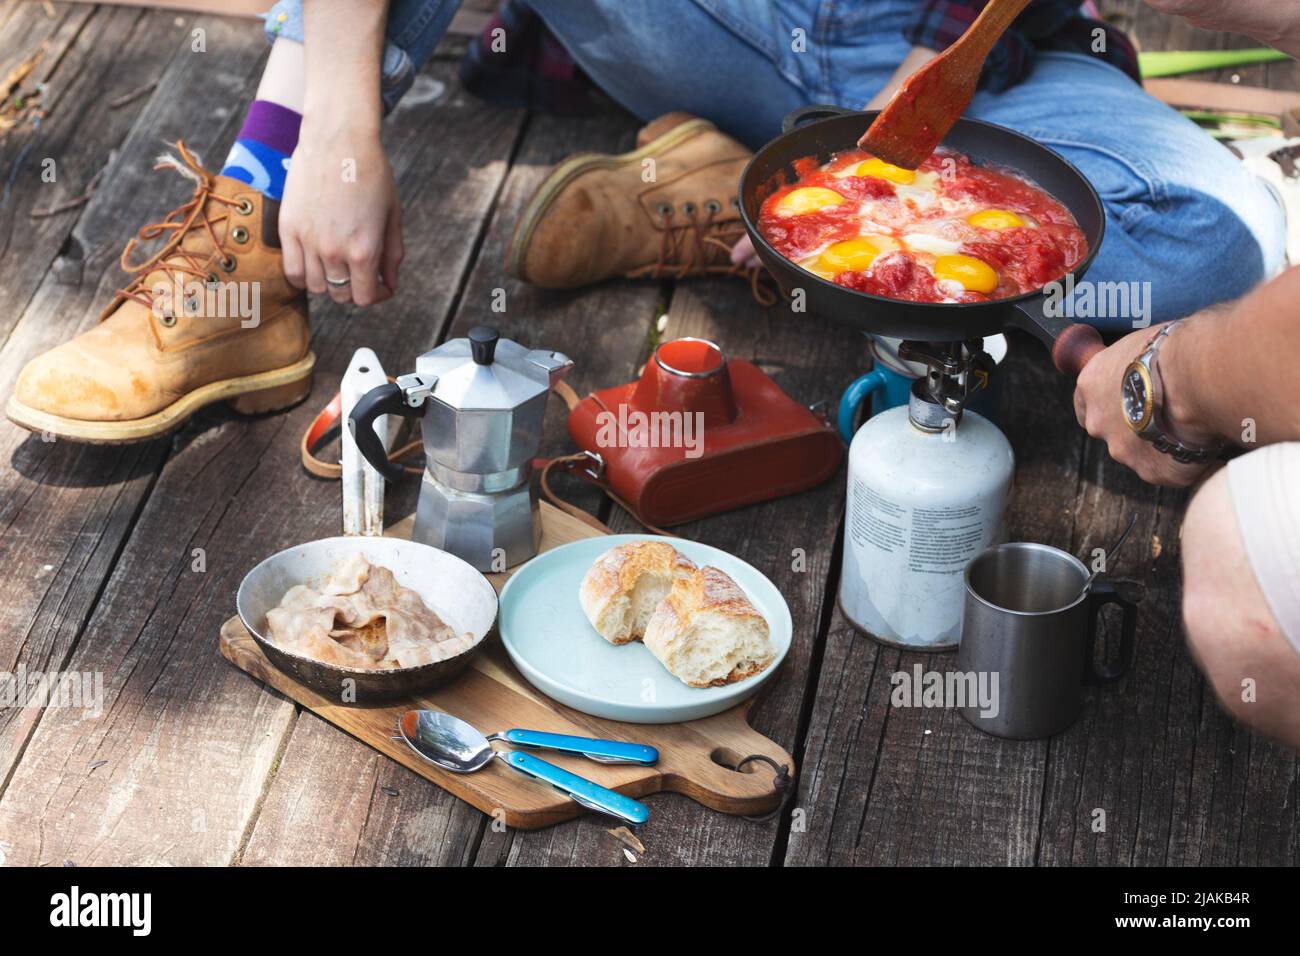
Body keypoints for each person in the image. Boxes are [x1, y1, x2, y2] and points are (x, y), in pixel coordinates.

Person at [5, 0, 1286, 443]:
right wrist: (342, 121)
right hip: (702, 27)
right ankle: (251, 238)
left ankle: (737, 208)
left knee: (1222, 234)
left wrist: (940, 100)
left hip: (966, 73)